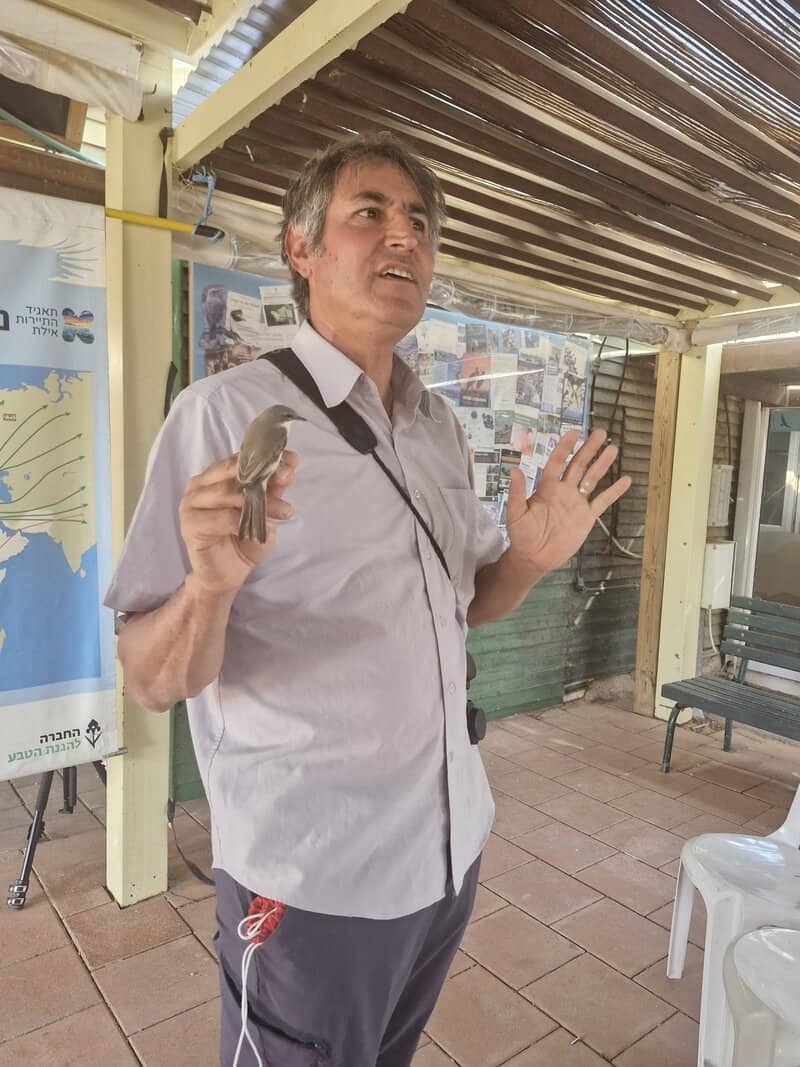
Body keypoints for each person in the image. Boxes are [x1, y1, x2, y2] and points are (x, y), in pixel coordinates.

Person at [105, 132, 630, 1067]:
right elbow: (148, 676)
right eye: (371, 213)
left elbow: (467, 603)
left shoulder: (437, 430)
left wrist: (528, 560)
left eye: (421, 223)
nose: (405, 237)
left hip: (447, 852)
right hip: (312, 879)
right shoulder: (223, 417)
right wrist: (209, 586)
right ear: (301, 249)